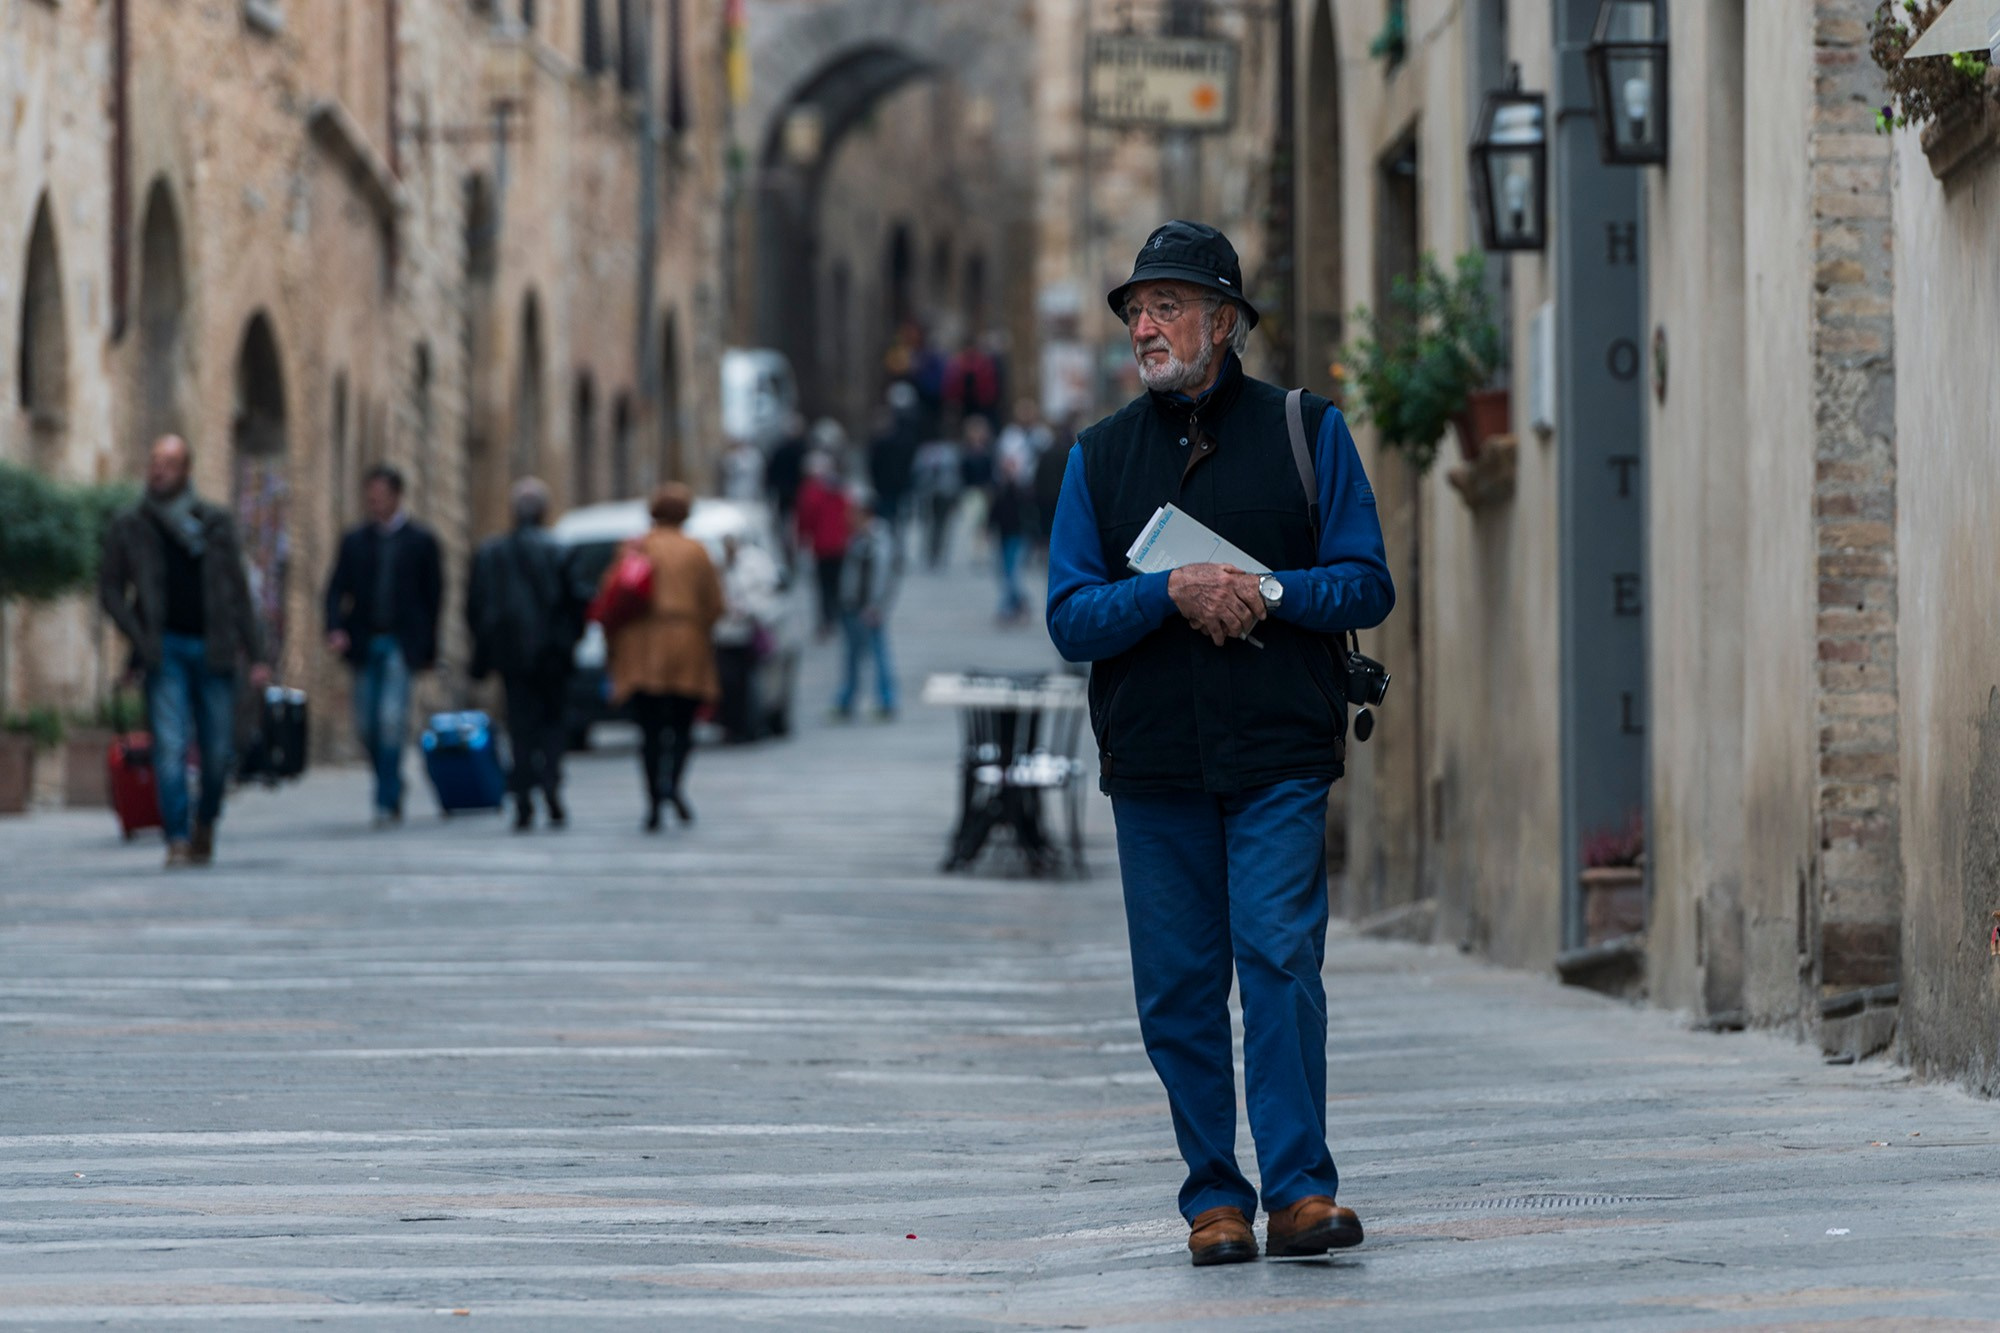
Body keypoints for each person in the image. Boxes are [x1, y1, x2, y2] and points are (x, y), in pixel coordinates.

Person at [1045, 221, 1396, 1267]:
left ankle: (1298, 1191)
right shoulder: (1097, 457)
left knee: (1280, 956)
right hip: (1153, 762)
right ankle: (1214, 1196)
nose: (1142, 328)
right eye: (1133, 311)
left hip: (1280, 747)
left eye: (1163, 307)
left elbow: (1365, 580)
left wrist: (1268, 591)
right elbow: (1070, 616)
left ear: (1224, 322)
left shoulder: (1304, 430)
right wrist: (1166, 592)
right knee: (1177, 984)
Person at [98, 435, 271, 869]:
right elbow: (111, 589)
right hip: (164, 651)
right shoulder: (131, 524)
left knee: (216, 752)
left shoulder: (215, 522)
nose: (159, 470)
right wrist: (137, 637)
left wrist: (257, 653)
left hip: (214, 650)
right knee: (170, 747)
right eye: (155, 461)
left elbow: (236, 591)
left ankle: (206, 821)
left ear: (186, 470)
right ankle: (176, 835)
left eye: (169, 463)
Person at [323, 464, 444, 826]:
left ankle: (385, 798)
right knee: (367, 727)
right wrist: (334, 628)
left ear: (396, 496)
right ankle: (389, 780)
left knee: (391, 720)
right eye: (369, 497)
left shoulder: (421, 542)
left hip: (400, 645)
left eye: (380, 497)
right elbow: (335, 589)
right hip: (364, 642)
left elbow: (433, 599)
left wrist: (427, 651)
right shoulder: (355, 541)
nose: (373, 503)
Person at [467, 478, 588, 832]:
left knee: (520, 726)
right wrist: (569, 641)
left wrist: (486, 648)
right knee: (552, 724)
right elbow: (577, 602)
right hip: (551, 656)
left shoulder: (492, 552)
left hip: (513, 657)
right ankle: (550, 784)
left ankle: (523, 797)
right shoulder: (560, 551)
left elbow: (477, 606)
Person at [602, 483, 723, 831]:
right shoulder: (697, 552)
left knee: (650, 730)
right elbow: (715, 605)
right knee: (683, 726)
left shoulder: (636, 548)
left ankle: (654, 798)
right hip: (687, 645)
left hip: (641, 647)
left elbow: (611, 597)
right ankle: (674, 785)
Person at [831, 487, 898, 722]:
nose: (849, 516)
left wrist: (875, 606)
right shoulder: (860, 536)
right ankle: (847, 700)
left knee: (877, 655)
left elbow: (881, 575)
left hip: (865, 609)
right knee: (851, 656)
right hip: (852, 606)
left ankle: (886, 700)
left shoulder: (875, 537)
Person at [712, 531, 782, 743]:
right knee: (729, 683)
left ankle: (750, 725)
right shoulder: (717, 565)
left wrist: (749, 609)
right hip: (723, 635)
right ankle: (732, 726)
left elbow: (767, 593)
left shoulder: (753, 563)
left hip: (747, 633)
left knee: (750, 682)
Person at [793, 452, 850, 639]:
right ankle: (836, 617)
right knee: (837, 583)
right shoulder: (839, 488)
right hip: (840, 544)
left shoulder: (811, 491)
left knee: (823, 586)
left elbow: (805, 518)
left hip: (822, 546)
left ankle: (827, 620)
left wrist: (801, 539)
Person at [988, 454, 1031, 624]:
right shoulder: (999, 489)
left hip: (1017, 535)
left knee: (1011, 572)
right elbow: (994, 511)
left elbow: (1028, 513)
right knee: (1005, 571)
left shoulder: (1020, 490)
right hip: (1003, 534)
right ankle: (1019, 602)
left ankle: (1007, 607)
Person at [911, 432, 962, 572]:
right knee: (928, 525)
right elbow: (917, 472)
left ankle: (939, 553)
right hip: (927, 494)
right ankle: (929, 552)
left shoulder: (950, 451)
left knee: (942, 525)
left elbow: (956, 474)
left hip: (945, 493)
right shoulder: (924, 452)